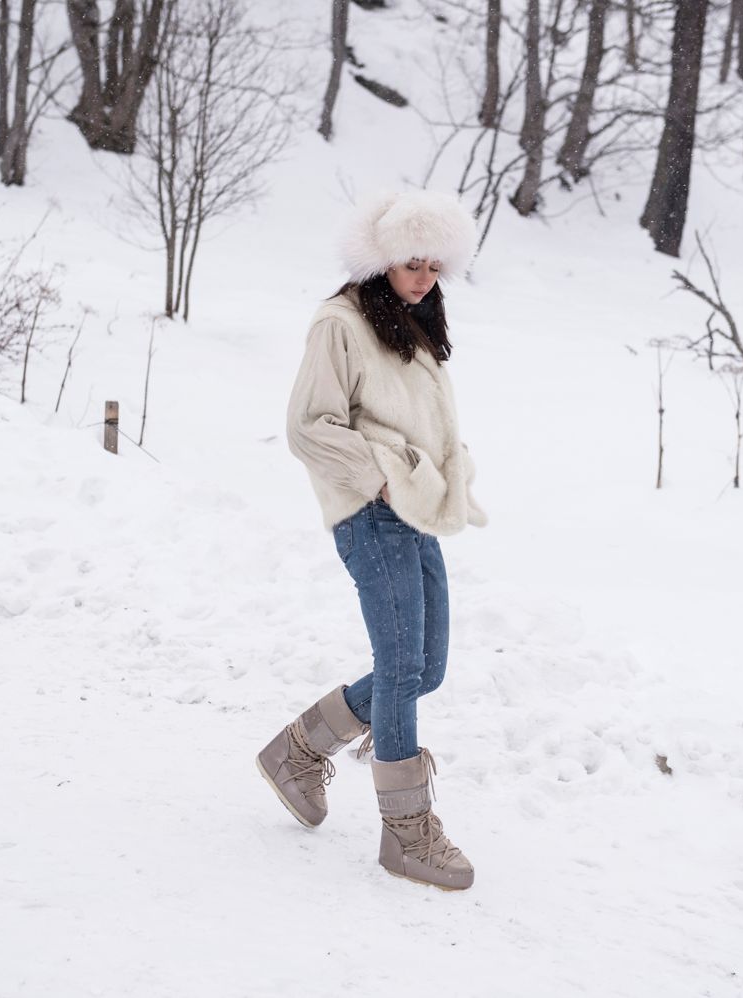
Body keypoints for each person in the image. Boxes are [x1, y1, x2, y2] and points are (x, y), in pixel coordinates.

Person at [257, 190, 487, 891]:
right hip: (371, 511)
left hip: (414, 513)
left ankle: (299, 751)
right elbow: (308, 426)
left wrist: (436, 481)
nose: (423, 277)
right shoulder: (340, 323)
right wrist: (382, 479)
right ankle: (406, 833)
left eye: (433, 265)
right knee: (398, 669)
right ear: (381, 260)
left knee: (426, 668)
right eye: (411, 264)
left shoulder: (412, 327)